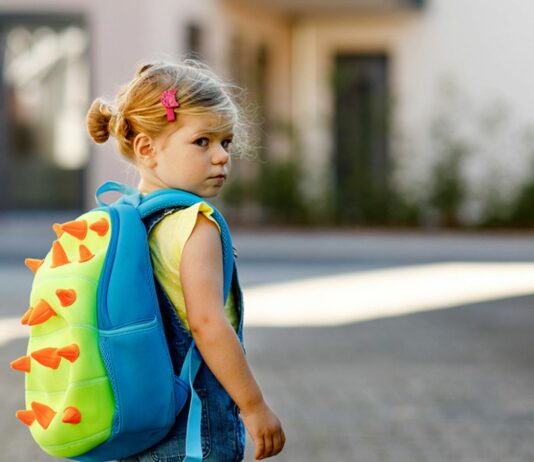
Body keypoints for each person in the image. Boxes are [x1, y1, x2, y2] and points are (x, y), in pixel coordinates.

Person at [86, 59, 285, 461]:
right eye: (202, 142)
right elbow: (207, 323)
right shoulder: (196, 225)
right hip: (196, 429)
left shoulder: (128, 219)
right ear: (147, 148)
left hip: (138, 421)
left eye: (226, 142)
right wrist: (253, 405)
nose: (221, 157)